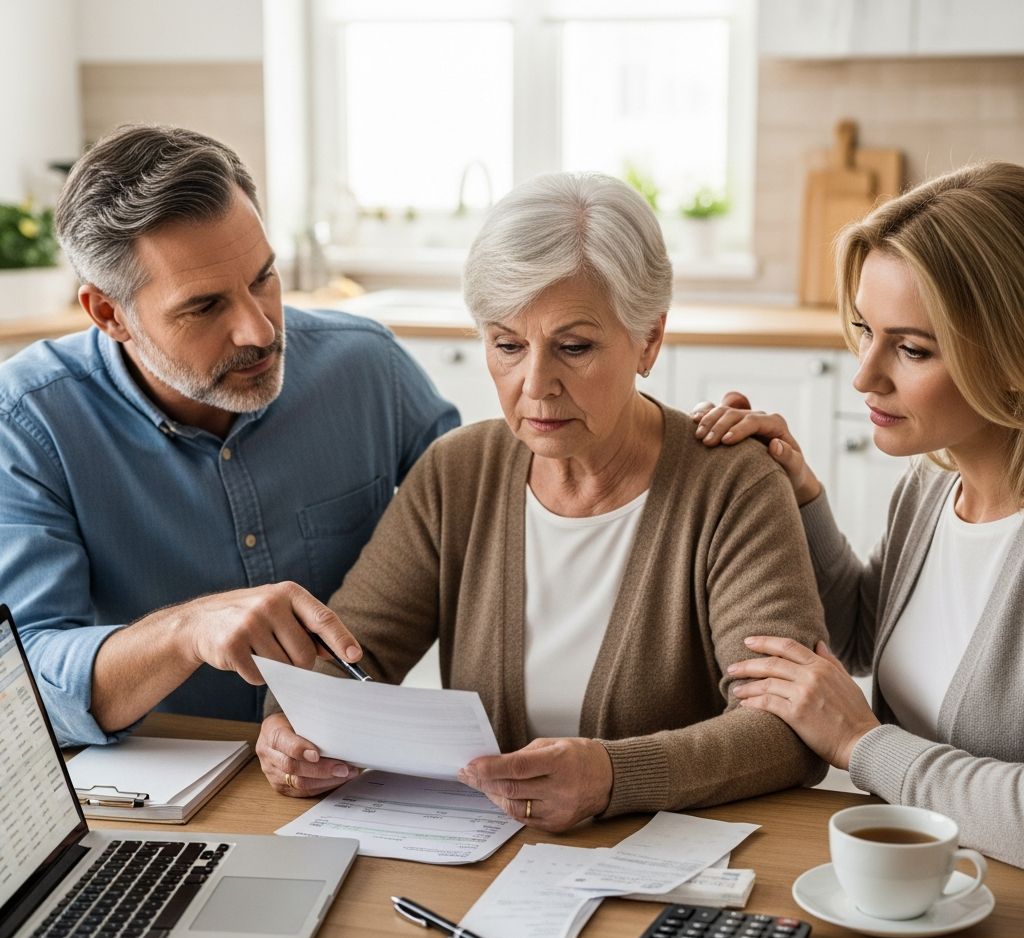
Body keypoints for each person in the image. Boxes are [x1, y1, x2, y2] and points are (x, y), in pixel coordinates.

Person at [257, 171, 829, 829]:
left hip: (659, 868)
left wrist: (614, 778)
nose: (535, 385)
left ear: (649, 338)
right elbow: (353, 655)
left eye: (574, 347)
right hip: (487, 856)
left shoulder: (732, 484)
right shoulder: (457, 473)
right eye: (507, 345)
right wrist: (291, 729)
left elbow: (787, 729)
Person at [0, 124, 458, 747]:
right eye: (206, 306)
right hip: (162, 800)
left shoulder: (368, 368)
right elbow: (22, 688)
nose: (260, 330)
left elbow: (483, 534)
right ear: (109, 314)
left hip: (351, 775)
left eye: (264, 278)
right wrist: (188, 629)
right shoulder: (27, 424)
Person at [692, 161, 1024, 867]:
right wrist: (798, 493)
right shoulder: (932, 490)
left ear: (1012, 356)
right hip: (909, 886)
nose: (865, 375)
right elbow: (866, 637)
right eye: (864, 330)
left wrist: (862, 744)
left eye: (911, 348)